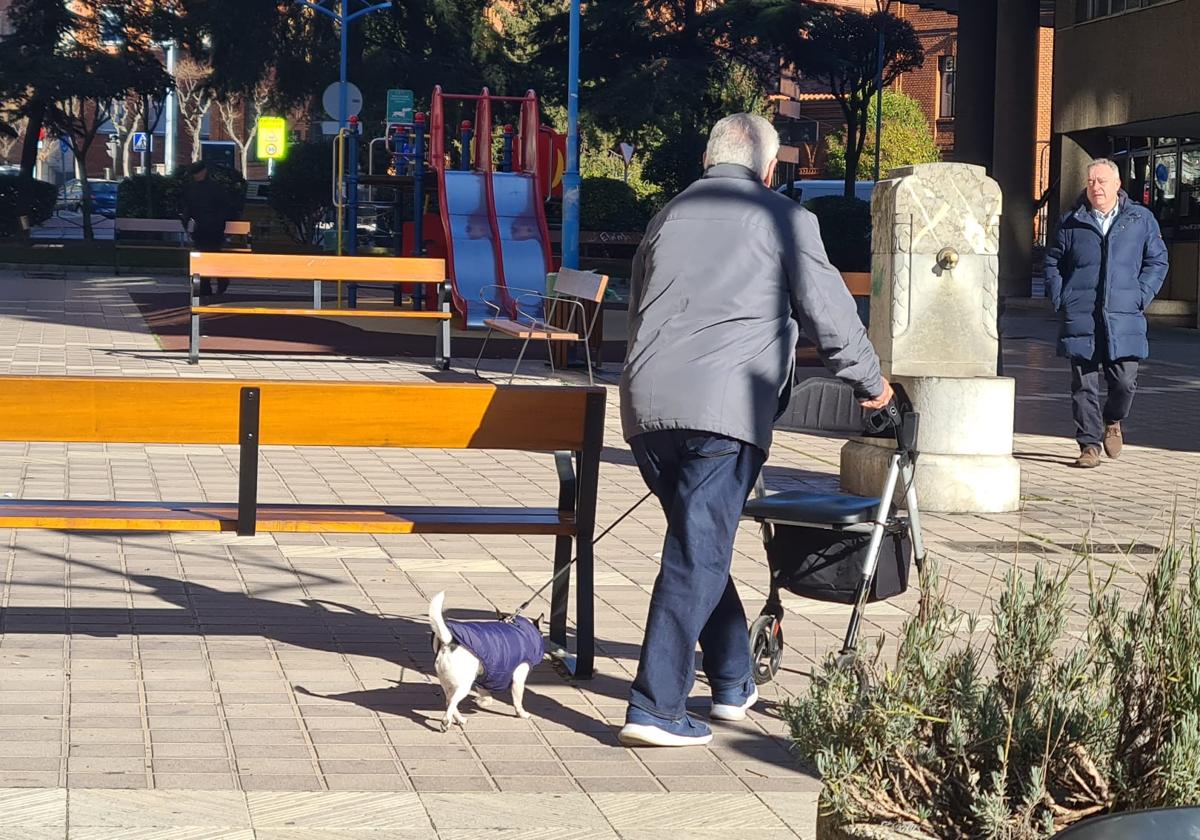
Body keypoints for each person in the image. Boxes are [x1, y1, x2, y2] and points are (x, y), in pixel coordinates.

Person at [617, 113, 892, 747]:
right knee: (696, 552)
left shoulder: (666, 217)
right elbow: (832, 317)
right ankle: (655, 706)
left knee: (698, 542)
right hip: (725, 411)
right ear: (769, 169)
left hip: (648, 406)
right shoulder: (784, 219)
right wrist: (874, 390)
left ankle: (733, 680)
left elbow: (637, 310)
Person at [1043, 158, 1169, 469]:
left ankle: (1112, 419)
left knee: (1124, 381)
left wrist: (1140, 295)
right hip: (1082, 314)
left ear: (1117, 185)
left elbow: (1157, 261)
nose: (1095, 187)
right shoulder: (1072, 222)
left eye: (1101, 182)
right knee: (1083, 383)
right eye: (1091, 182)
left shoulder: (1140, 219)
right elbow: (1053, 262)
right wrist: (1061, 297)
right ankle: (1088, 445)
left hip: (1123, 315)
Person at [181, 161, 232, 296]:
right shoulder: (204, 188)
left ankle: (214, 283)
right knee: (207, 256)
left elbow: (223, 207)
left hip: (212, 228)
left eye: (197, 173)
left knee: (210, 255)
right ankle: (213, 283)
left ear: (203, 172)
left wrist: (217, 221)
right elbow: (188, 208)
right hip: (204, 228)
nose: (195, 176)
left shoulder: (210, 188)